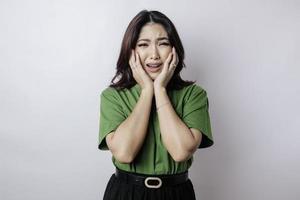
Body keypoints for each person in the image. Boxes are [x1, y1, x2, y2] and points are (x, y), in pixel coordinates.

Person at [98, 10, 214, 200]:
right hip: (126, 192)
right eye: (143, 45)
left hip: (176, 193)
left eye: (163, 44)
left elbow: (181, 152)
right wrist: (146, 92)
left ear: (174, 49)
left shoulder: (193, 95)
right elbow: (124, 153)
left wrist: (159, 89)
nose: (154, 54)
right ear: (130, 51)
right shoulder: (112, 97)